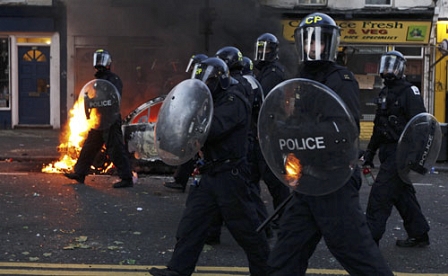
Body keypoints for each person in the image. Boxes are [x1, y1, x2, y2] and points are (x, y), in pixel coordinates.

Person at [267, 13, 394, 275]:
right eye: (309, 42)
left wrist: (296, 132)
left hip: (333, 183)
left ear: (331, 44)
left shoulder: (340, 79)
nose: (314, 48)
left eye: (320, 42)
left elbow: (342, 132)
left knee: (358, 256)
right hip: (307, 183)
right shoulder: (301, 80)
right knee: (285, 255)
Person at [149, 57, 270, 276]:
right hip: (208, 174)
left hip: (229, 176)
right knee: (191, 225)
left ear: (221, 80)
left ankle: (266, 271)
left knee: (248, 231)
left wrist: (189, 124)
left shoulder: (233, 100)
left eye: (209, 81)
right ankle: (178, 270)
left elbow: (211, 130)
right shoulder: (211, 100)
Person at [362, 50, 430, 247]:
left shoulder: (410, 92)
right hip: (388, 152)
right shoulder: (384, 93)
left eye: (393, 65)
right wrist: (369, 153)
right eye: (386, 64)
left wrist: (416, 157)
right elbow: (378, 127)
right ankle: (419, 234)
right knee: (402, 195)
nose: (388, 69)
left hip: (402, 153)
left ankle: (368, 241)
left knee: (380, 194)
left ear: (401, 69)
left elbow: (421, 126)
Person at [64, 49, 134, 189]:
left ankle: (127, 178)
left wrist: (99, 101)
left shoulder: (113, 79)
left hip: (111, 119)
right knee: (89, 147)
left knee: (115, 149)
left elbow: (115, 97)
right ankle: (80, 173)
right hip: (99, 119)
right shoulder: (97, 81)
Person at [253, 33, 291, 226]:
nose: (262, 53)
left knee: (274, 176)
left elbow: (264, 99)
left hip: (271, 131)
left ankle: (284, 215)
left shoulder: (273, 72)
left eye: (266, 49)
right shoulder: (267, 71)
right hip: (266, 130)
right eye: (260, 49)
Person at [163, 54, 208, 193]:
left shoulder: (204, 84)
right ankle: (180, 181)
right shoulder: (197, 83)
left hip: (202, 125)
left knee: (196, 153)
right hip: (197, 123)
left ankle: (186, 181)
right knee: (190, 152)